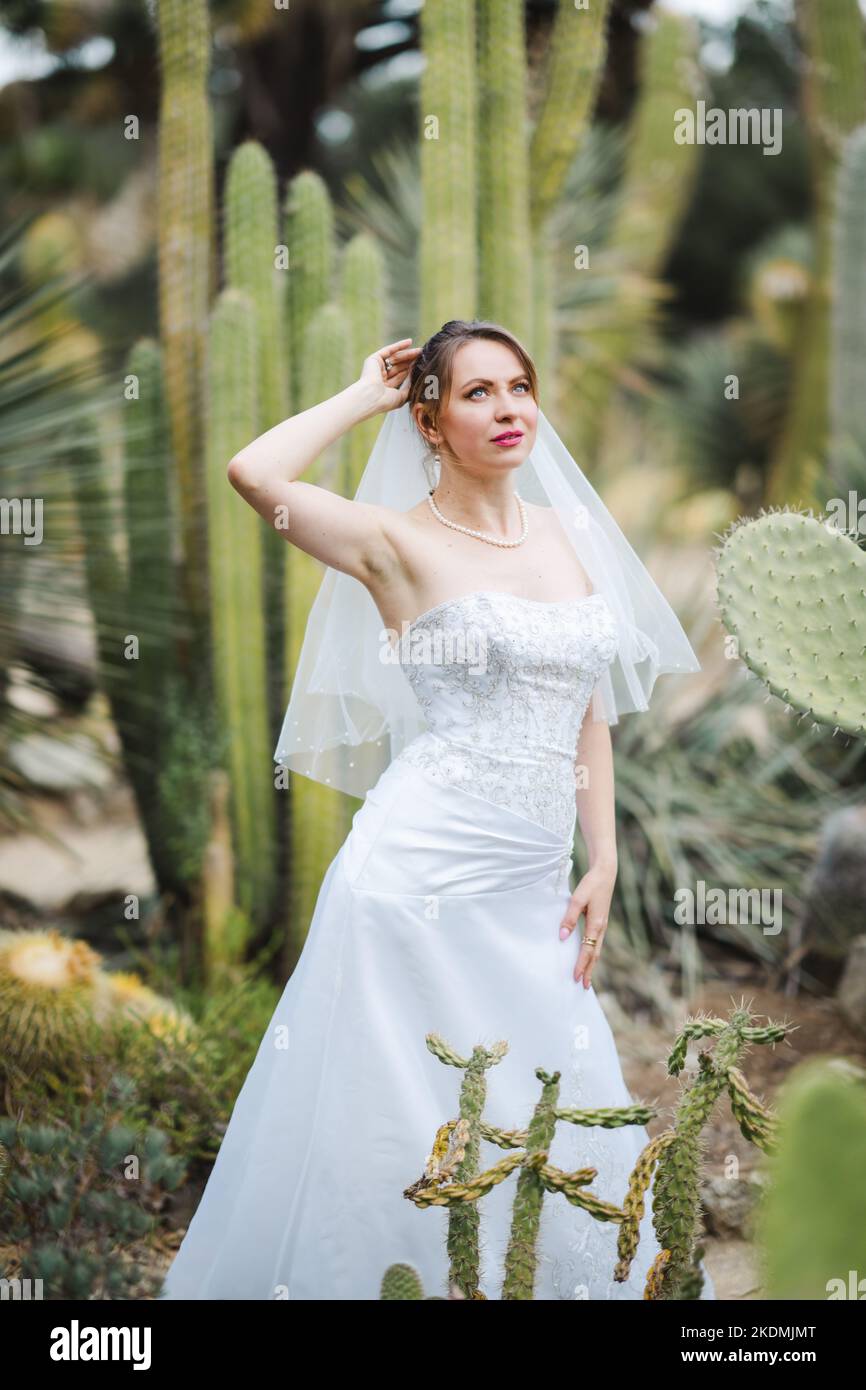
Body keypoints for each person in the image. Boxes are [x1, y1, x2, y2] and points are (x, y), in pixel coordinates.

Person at [159, 319, 716, 1301]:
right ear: (429, 420)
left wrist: (602, 860)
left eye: (518, 388)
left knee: (539, 1087)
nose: (507, 411)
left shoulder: (567, 532)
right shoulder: (392, 544)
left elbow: (587, 704)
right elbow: (253, 472)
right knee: (402, 1108)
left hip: (533, 879)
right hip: (413, 875)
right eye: (474, 393)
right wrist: (363, 395)